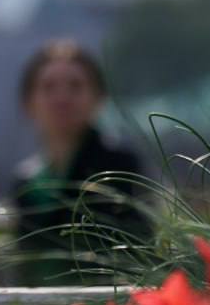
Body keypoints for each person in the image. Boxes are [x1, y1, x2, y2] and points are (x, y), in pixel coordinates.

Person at [11, 40, 148, 285]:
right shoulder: (26, 181)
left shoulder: (118, 166)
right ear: (28, 102)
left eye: (75, 86)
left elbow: (138, 251)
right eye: (48, 87)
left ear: (98, 98)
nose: (62, 98)